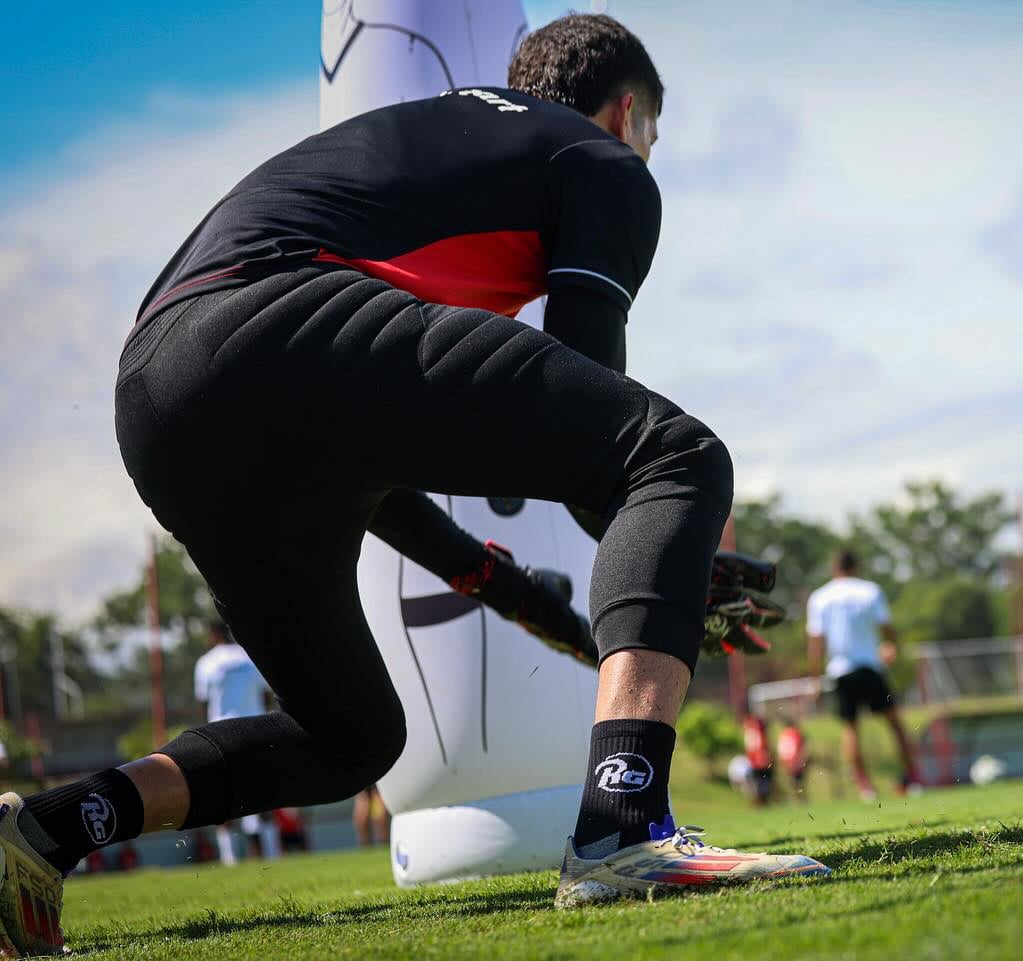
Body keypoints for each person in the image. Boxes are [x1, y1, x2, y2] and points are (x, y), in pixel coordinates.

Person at [0, 15, 825, 954]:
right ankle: (623, 827)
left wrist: (539, 603)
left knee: (349, 736)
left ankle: (45, 833)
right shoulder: (603, 161)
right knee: (680, 456)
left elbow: (360, 459)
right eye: (653, 135)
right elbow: (601, 426)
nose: (649, 154)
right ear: (626, 111)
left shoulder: (431, 141)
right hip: (279, 322)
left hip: (155, 391)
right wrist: (672, 558)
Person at [806, 549, 920, 801]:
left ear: (834, 568)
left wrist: (815, 680)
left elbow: (816, 643)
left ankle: (865, 788)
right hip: (870, 666)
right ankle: (912, 779)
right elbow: (887, 628)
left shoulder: (820, 597)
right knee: (895, 723)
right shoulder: (869, 590)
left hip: (840, 671)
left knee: (851, 728)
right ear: (856, 567)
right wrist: (891, 646)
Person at [193, 619, 280, 864]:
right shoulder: (249, 656)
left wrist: (205, 735)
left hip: (220, 733)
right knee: (263, 793)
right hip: (254, 730)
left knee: (224, 794)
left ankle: (229, 858)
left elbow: (203, 702)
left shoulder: (205, 663)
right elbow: (265, 695)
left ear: (212, 635)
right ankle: (272, 854)